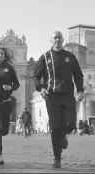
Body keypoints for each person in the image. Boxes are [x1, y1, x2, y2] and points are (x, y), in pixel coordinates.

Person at [33, 31, 84, 168]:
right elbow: (36, 76)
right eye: (55, 38)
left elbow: (78, 75)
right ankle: (57, 157)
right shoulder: (44, 57)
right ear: (51, 40)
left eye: (59, 37)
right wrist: (41, 88)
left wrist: (80, 90)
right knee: (55, 127)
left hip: (68, 95)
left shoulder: (70, 57)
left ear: (63, 40)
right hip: (52, 96)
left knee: (71, 125)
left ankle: (63, 134)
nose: (57, 40)